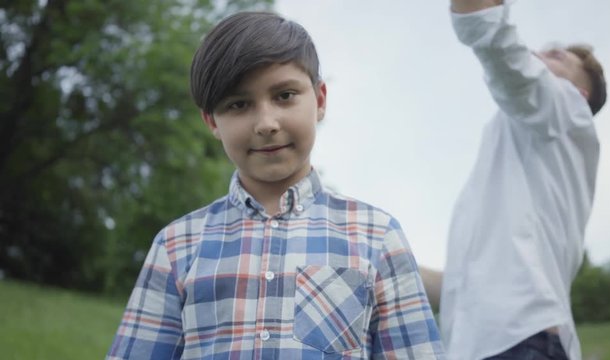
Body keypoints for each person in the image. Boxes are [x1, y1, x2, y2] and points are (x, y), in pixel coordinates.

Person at [107, 11, 445, 360]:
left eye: (284, 96)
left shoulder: (376, 236)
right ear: (211, 121)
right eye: (239, 104)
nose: (266, 123)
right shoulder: (176, 246)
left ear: (320, 100)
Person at [426, 0, 607, 359]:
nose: (539, 55)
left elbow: (491, 34)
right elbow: (459, 290)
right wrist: (375, 260)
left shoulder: (568, 108)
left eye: (556, 56)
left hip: (522, 344)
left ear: (579, 93)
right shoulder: (510, 170)